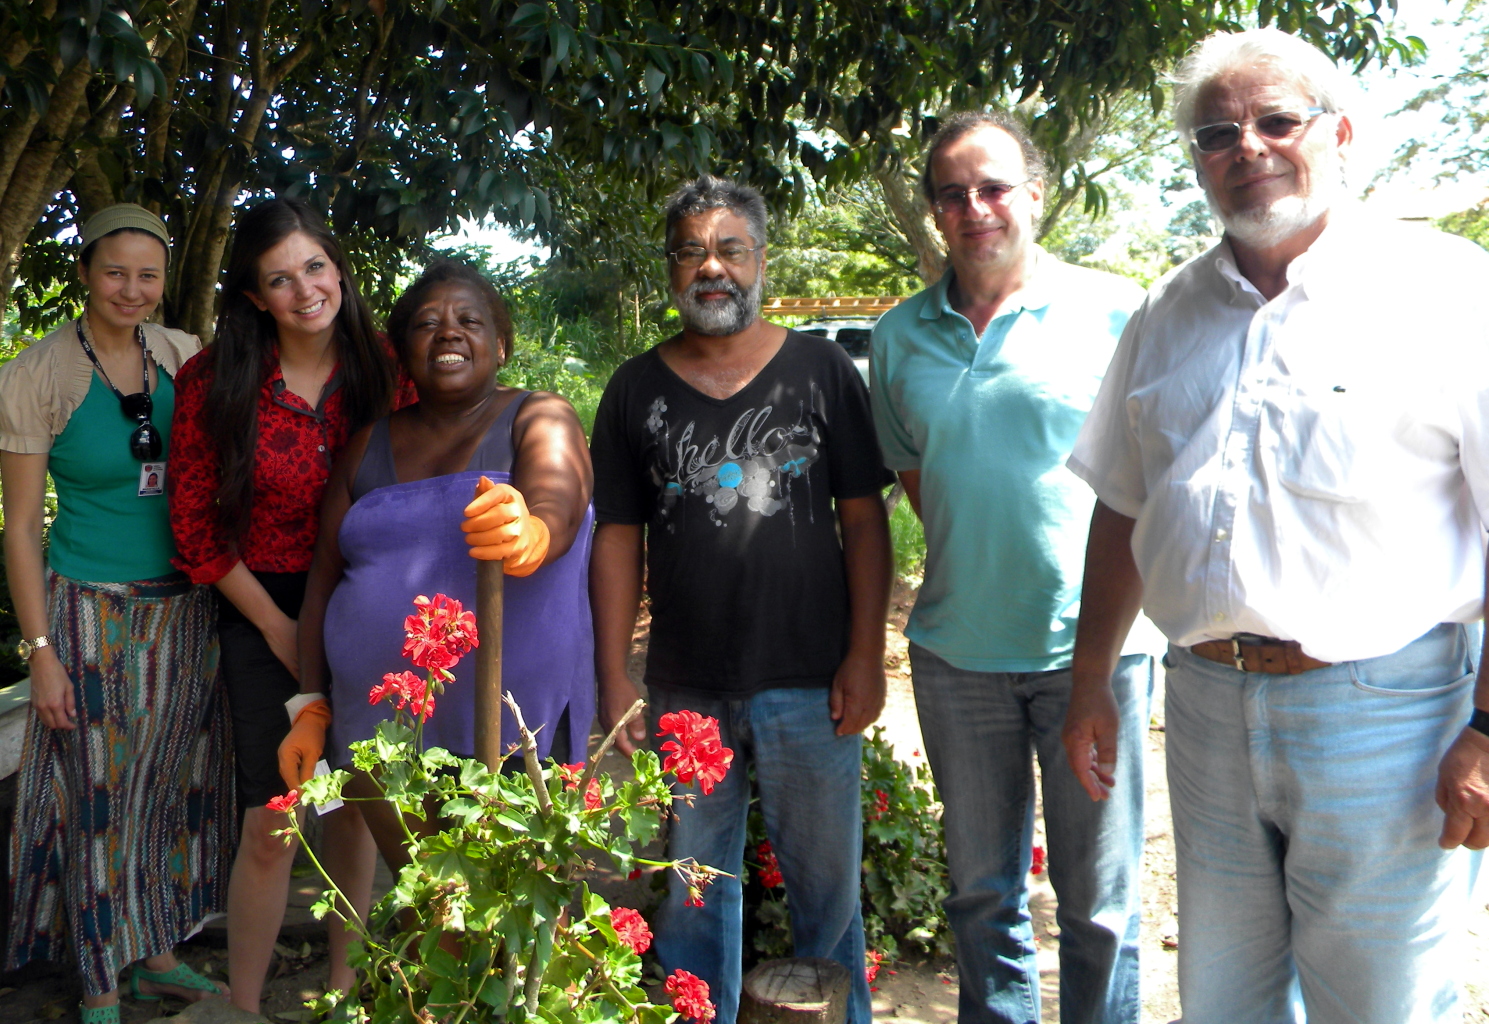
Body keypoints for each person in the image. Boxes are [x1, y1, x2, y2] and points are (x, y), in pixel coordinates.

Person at [1063, 28, 1489, 1023]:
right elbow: (1122, 504)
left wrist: (1487, 727)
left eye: (1275, 120)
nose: (1246, 146)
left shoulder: (1446, 290)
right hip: (1205, 704)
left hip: (1384, 713)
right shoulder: (1165, 312)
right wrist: (1089, 681)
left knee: (1376, 1006)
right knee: (1223, 1001)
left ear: (1337, 132)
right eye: (1217, 133)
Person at [870, 112, 1153, 1024]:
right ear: (933, 215)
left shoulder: (1119, 310)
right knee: (982, 897)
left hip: (1093, 656)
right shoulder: (898, 336)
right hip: (958, 659)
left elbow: (1148, 479)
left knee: (1097, 907)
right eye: (951, 194)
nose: (974, 207)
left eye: (992, 186)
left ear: (1034, 194)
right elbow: (924, 479)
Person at [589, 175, 893, 1024]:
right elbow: (617, 536)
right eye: (691, 251)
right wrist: (616, 674)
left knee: (827, 900)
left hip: (811, 680)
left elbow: (864, 521)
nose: (711, 268)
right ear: (670, 269)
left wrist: (864, 656)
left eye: (730, 249)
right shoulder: (633, 389)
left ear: (761, 260)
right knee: (693, 895)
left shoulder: (822, 370)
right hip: (687, 686)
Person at [275, 258, 594, 871]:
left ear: (500, 346)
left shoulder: (539, 416)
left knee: (511, 916)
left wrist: (531, 533)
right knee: (430, 906)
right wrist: (311, 704)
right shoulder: (368, 445)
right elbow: (323, 582)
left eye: (469, 320)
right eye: (427, 324)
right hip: (381, 734)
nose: (448, 332)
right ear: (402, 352)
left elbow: (558, 499)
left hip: (510, 726)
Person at [168, 197, 404, 1012]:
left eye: (314, 266)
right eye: (280, 278)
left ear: (337, 268)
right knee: (275, 818)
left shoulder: (384, 364)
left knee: (356, 801)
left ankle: (341, 989)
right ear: (254, 296)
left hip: (369, 592)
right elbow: (194, 528)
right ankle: (242, 1004)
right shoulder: (216, 377)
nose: (305, 290)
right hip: (262, 601)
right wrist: (278, 628)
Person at [1, 204, 233, 1021]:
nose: (131, 289)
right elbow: (24, 527)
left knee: (171, 784)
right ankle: (100, 979)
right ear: (83, 273)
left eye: (148, 275)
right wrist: (39, 647)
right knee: (94, 798)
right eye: (114, 272)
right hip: (86, 613)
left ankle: (158, 954)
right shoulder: (37, 374)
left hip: (184, 611)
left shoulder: (183, 357)